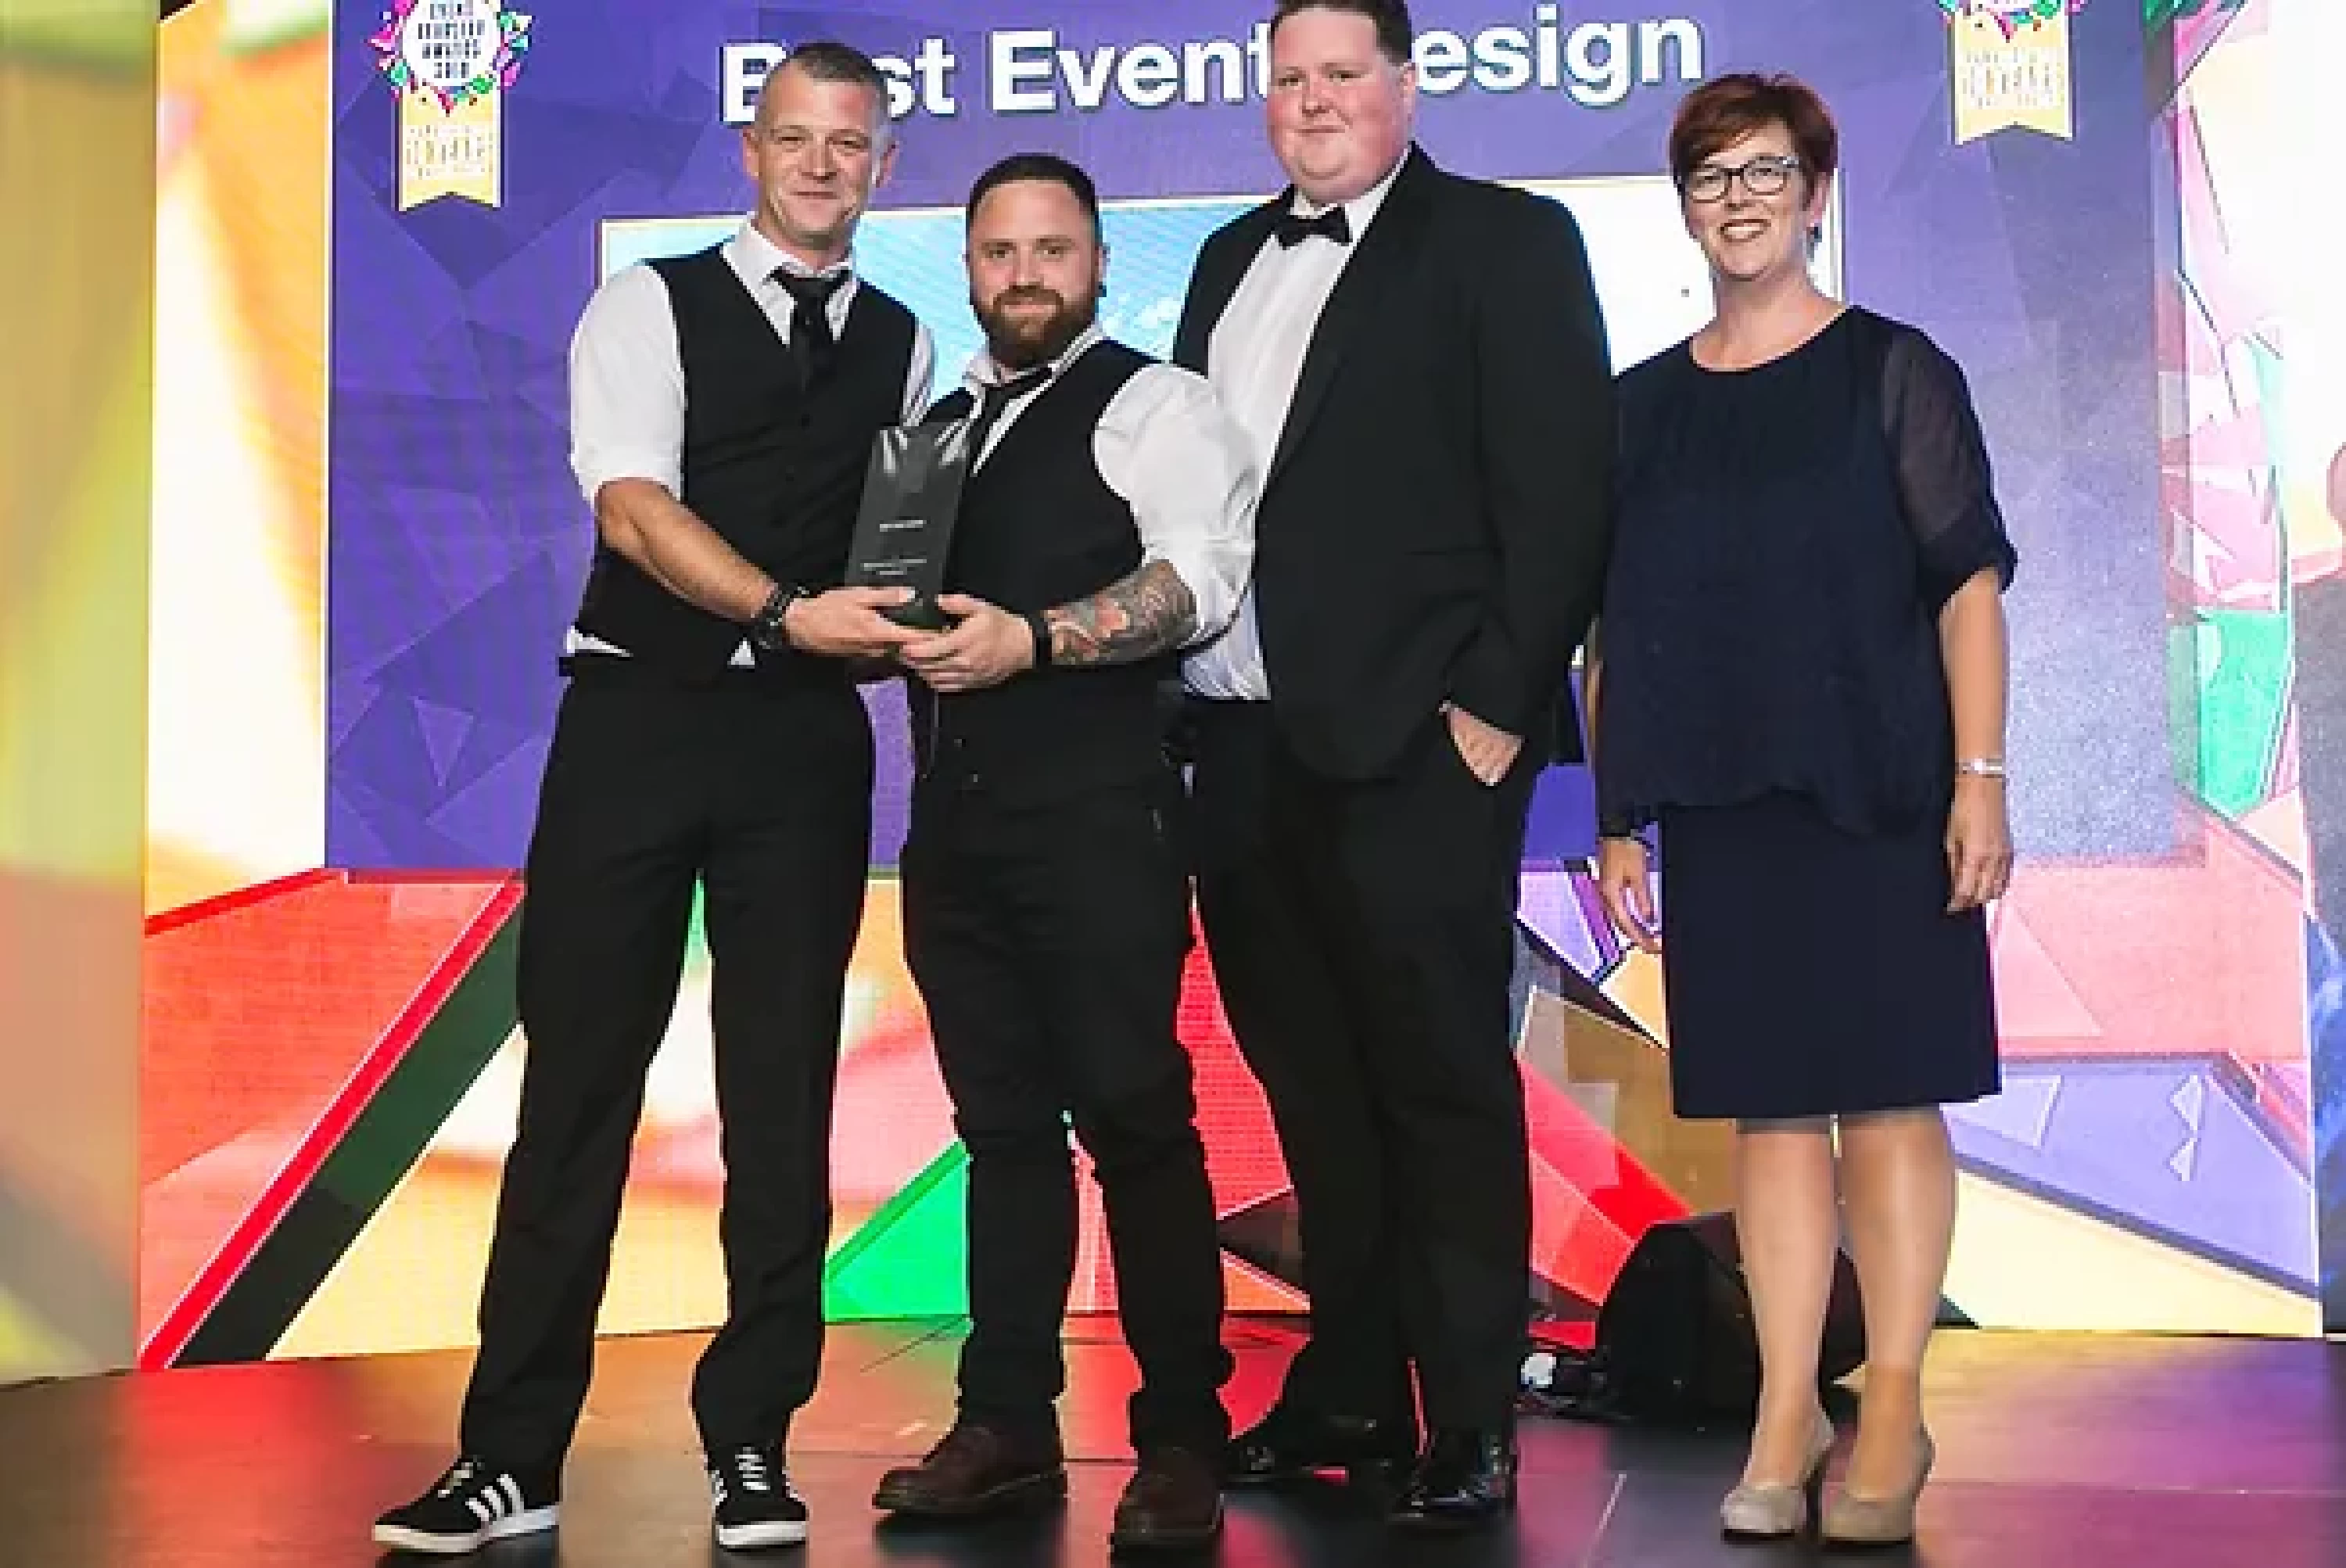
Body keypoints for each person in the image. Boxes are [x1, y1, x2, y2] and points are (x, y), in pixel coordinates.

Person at [372, 44, 935, 1557]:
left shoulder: (904, 344)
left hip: (803, 748)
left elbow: (892, 551)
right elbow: (631, 506)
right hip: (635, 726)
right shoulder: (645, 304)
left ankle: (752, 1444)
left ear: (883, 167)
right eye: (795, 138)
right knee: (576, 1093)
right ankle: (510, 1454)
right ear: (751, 149)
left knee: (782, 1099)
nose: (820, 166)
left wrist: (901, 623)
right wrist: (784, 612)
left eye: (849, 145)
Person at [1171, 0, 1614, 1530]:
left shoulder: (1506, 242)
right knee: (1311, 1092)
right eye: (1288, 78)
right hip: (1239, 746)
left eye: (1342, 74)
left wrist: (1497, 703)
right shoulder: (1226, 261)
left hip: (1421, 751)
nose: (1312, 101)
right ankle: (1353, 1385)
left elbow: (1563, 487)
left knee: (1440, 1089)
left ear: (1407, 87)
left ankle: (1471, 1415)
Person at [1586, 73, 2015, 1549]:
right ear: (1685, 208)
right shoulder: (1639, 408)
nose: (1741, 199)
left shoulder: (1896, 371)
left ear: (1817, 194)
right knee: (1768, 1118)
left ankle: (1890, 1402)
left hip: (1884, 795)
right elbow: (1614, 628)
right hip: (1723, 809)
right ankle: (1786, 1407)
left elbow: (1966, 585)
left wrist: (1980, 781)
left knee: (1889, 1098)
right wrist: (1622, 817)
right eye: (1713, 177)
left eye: (1768, 171)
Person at [865, 154, 1258, 1552]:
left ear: (1097, 262)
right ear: (968, 268)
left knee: (1138, 1125)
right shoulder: (931, 432)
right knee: (1001, 1134)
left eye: (1053, 249)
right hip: (954, 833)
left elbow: (1198, 584)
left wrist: (1032, 640)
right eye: (1000, 252)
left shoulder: (1160, 405)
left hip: (1101, 822)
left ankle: (1182, 1437)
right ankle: (1007, 1423)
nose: (1025, 274)